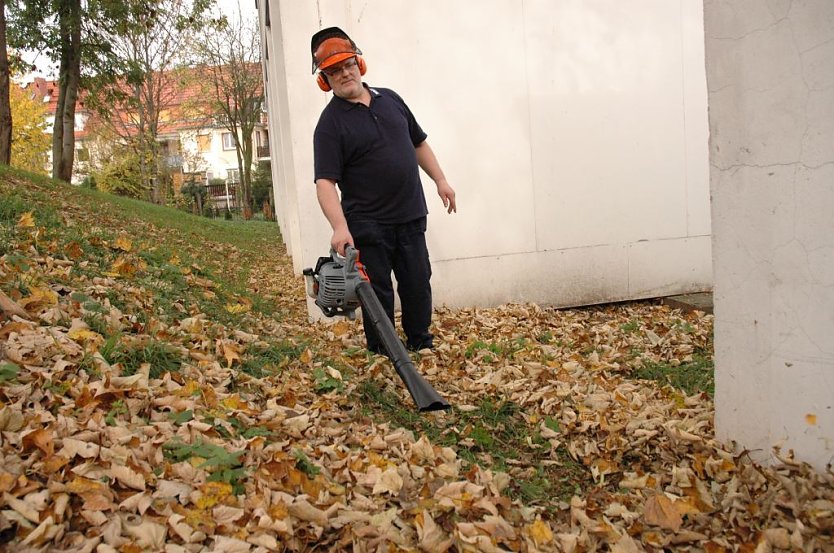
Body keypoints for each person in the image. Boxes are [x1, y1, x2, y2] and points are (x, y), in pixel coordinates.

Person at [311, 26, 456, 355]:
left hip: (410, 214)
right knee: (377, 293)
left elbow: (418, 143)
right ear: (325, 80)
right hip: (368, 223)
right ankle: (385, 351)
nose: (344, 73)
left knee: (418, 283)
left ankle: (421, 343)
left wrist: (441, 180)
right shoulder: (330, 124)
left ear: (359, 64)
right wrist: (339, 226)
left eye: (348, 64)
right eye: (334, 71)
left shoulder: (391, 99)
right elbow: (325, 183)